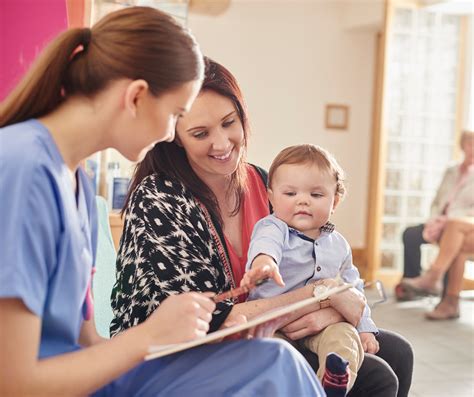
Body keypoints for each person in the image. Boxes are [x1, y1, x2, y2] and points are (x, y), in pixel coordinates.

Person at [0, 8, 324, 396]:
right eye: (176, 115)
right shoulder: (23, 168)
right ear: (136, 96)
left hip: (91, 379)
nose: (172, 133)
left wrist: (167, 334)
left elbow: (87, 345)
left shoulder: (76, 184)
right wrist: (149, 334)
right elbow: (13, 382)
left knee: (275, 361)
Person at [112, 56, 414, 397]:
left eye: (229, 123)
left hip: (270, 328)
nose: (223, 144)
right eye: (201, 133)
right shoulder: (161, 199)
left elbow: (319, 261)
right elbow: (210, 322)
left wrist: (333, 305)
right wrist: (321, 298)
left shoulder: (263, 181)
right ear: (176, 136)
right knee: (376, 377)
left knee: (398, 352)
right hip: (186, 353)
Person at [245, 144, 379, 396]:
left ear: (335, 201)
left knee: (344, 337)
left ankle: (333, 382)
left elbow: (353, 289)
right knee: (274, 353)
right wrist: (264, 264)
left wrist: (365, 328)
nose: (303, 200)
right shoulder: (273, 227)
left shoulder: (338, 244)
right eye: (290, 193)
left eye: (316, 195)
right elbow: (266, 246)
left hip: (322, 327)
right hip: (273, 324)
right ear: (272, 198)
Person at [395, 130, 474, 302]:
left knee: (452, 237)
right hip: (438, 221)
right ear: (463, 146)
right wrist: (434, 218)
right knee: (410, 234)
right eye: (469, 144)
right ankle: (413, 283)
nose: (472, 148)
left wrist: (450, 220)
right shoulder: (452, 170)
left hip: (459, 224)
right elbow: (438, 199)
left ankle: (442, 289)